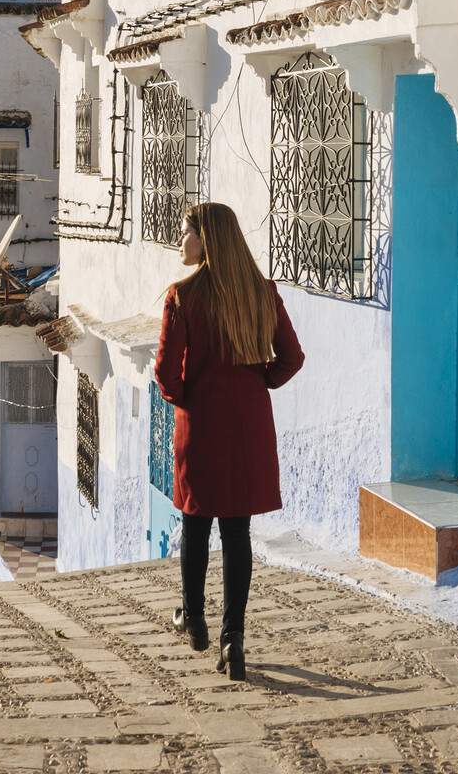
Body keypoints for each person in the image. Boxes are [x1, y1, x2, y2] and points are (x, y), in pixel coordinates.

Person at [153, 201, 305, 682]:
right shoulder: (260, 292)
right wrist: (258, 383)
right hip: (248, 423)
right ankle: (232, 639)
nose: (182, 243)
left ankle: (193, 618)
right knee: (236, 532)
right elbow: (292, 357)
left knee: (196, 523)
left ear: (207, 240)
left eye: (186, 234)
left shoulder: (183, 296)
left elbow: (164, 372)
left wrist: (187, 396)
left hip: (202, 423)